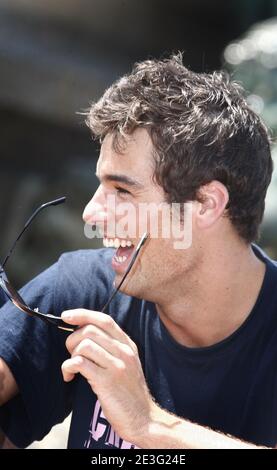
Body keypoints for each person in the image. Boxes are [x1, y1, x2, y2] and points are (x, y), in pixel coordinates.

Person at [0, 53, 276, 449]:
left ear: (206, 204)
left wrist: (150, 425)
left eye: (123, 190)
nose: (92, 212)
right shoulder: (87, 290)